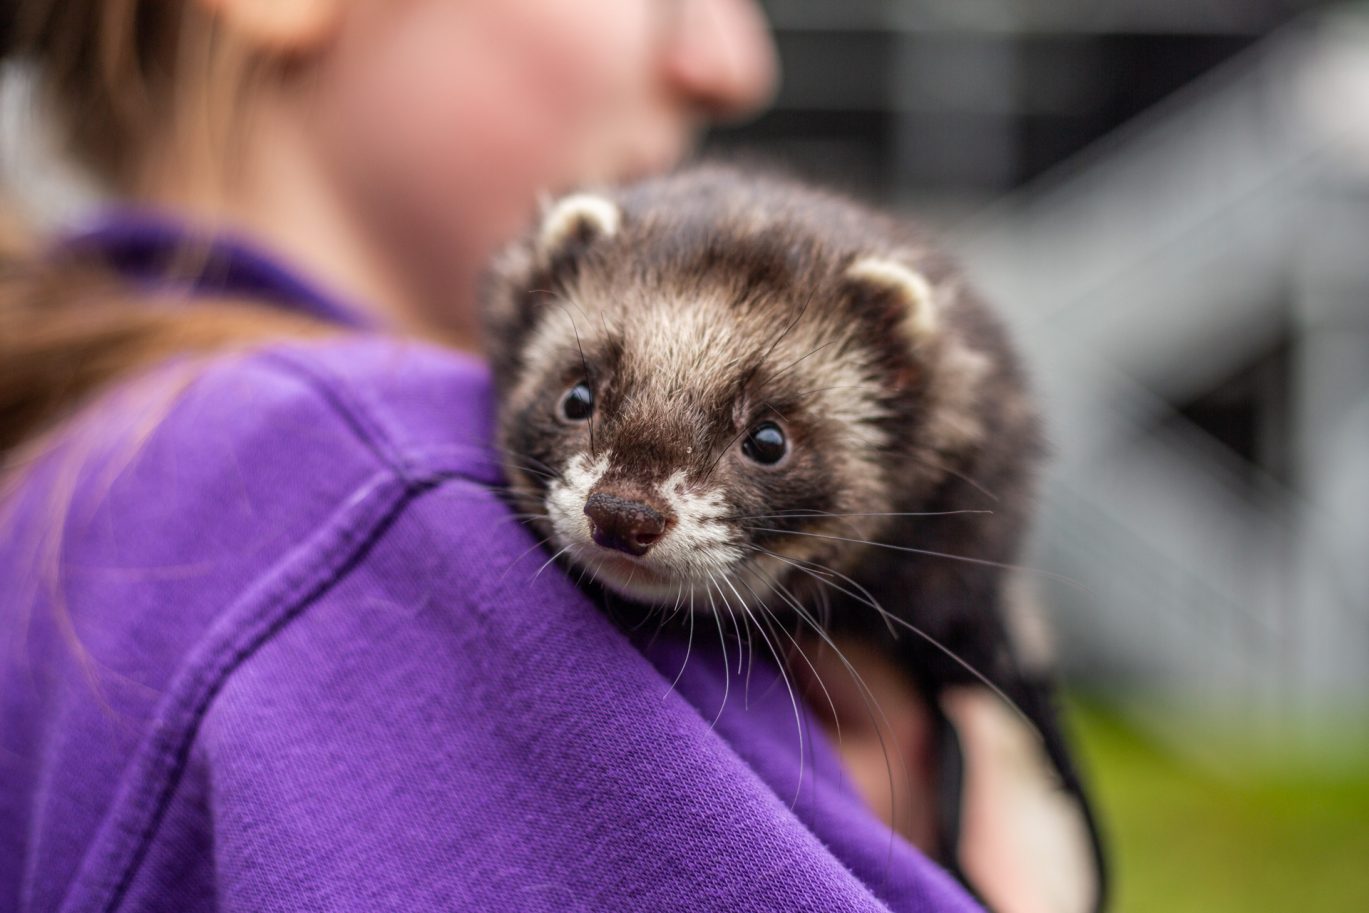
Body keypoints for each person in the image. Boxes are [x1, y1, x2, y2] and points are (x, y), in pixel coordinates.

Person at [0, 3, 1097, 912]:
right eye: (580, 401)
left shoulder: (79, 433)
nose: (733, 60)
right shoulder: (376, 497)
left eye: (766, 444)